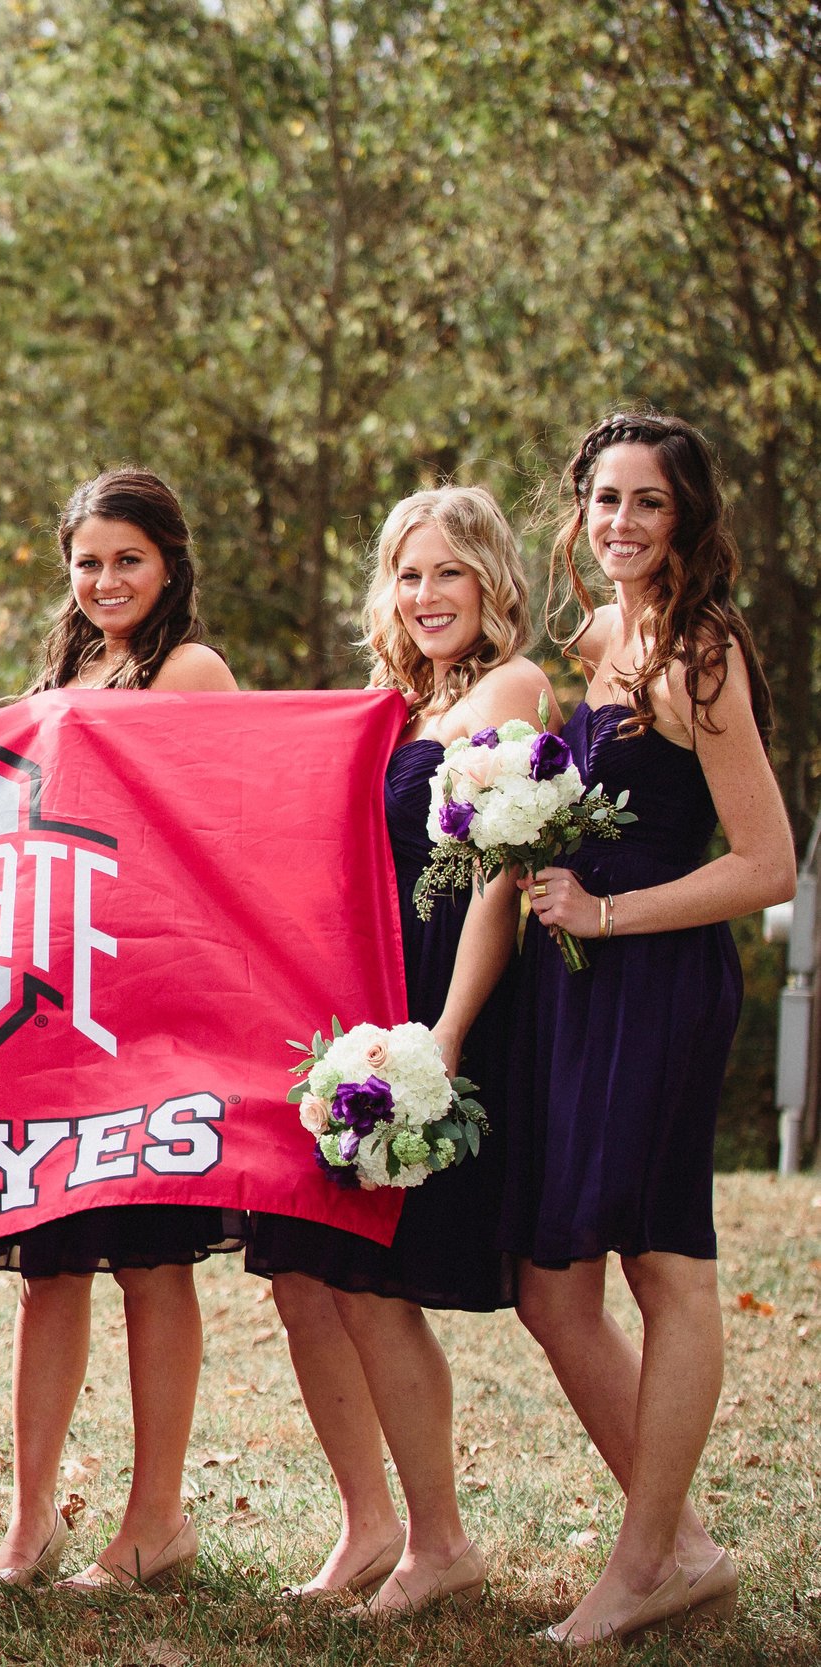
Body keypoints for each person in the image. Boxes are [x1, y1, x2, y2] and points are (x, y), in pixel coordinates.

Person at [514, 411, 792, 1644]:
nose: (619, 522)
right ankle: (675, 1544)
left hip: (662, 977)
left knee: (662, 1263)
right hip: (580, 983)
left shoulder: (703, 652)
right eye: (604, 500)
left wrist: (609, 909)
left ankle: (642, 1563)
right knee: (552, 1281)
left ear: (688, 520)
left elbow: (768, 863)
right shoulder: (594, 638)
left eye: (648, 503)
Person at [244, 486, 540, 1614]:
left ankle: (440, 1537)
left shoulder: (511, 688)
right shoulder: (385, 704)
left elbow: (498, 879)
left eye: (448, 572)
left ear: (491, 582)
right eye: (408, 574)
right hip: (347, 1010)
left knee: (372, 1277)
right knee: (300, 1273)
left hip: (436, 1003)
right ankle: (367, 1523)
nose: (425, 595)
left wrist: (446, 1035)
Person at [0, 468, 240, 1588]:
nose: (105, 578)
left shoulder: (190, 669)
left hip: (151, 993)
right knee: (49, 1263)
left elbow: (215, 825)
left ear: (167, 560)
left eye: (127, 557)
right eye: (87, 560)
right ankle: (30, 1519)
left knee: (150, 1259)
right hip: (50, 992)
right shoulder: (62, 667)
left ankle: (154, 1517)